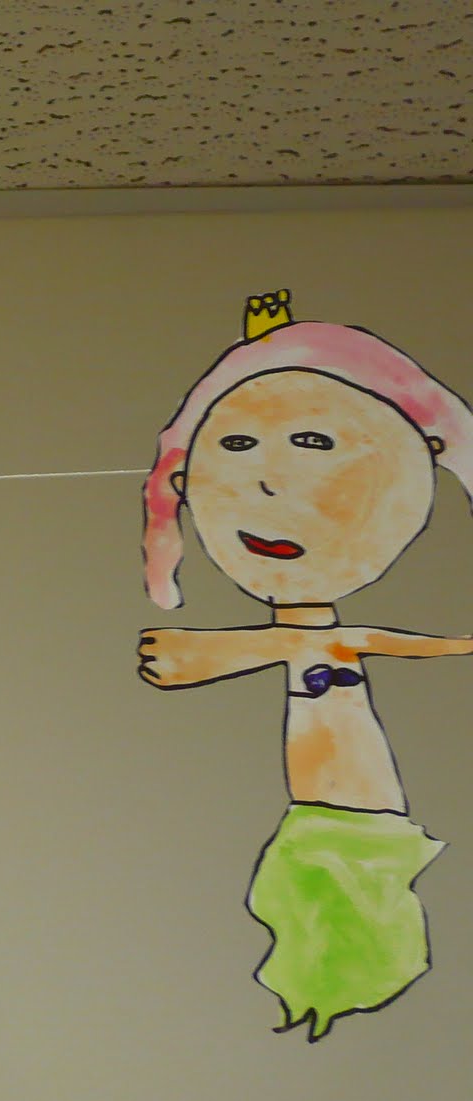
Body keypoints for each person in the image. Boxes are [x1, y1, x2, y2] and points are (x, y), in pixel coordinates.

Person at [139, 291, 473, 1039]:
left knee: (341, 895)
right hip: (333, 811)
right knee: (319, 896)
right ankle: (319, 991)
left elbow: (370, 640)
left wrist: (458, 647)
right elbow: (291, 647)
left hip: (359, 811)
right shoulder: (304, 639)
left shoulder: (321, 639)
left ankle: (330, 990)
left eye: (314, 443)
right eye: (237, 445)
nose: (268, 483)